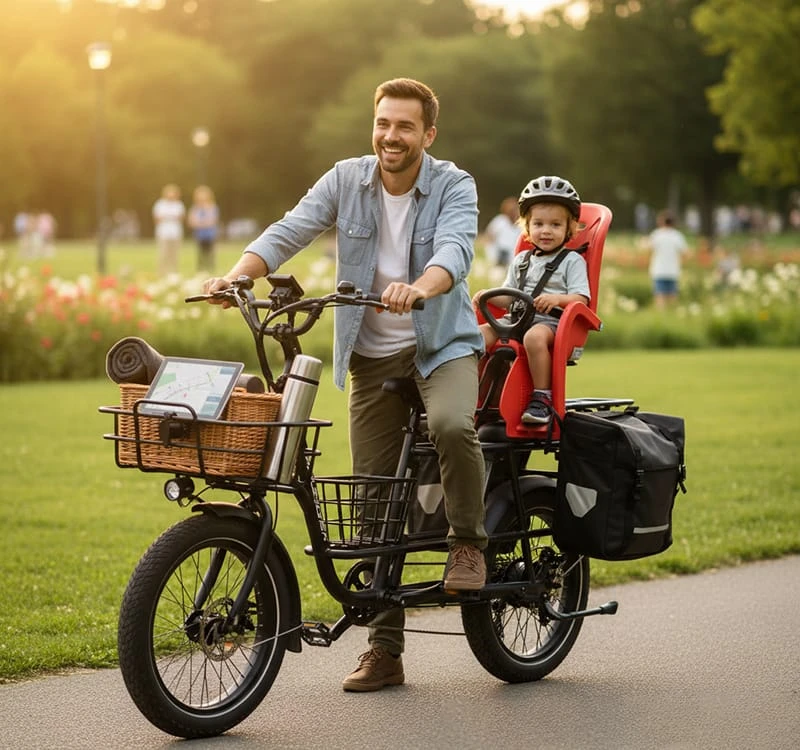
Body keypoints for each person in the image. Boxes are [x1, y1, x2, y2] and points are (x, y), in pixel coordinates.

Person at [202, 78, 488, 692]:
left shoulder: (453, 185)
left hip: (440, 346)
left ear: (427, 135)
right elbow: (290, 229)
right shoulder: (345, 179)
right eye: (383, 123)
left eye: (405, 126)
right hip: (371, 357)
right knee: (369, 502)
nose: (391, 135)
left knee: (450, 425)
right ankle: (385, 652)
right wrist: (238, 276)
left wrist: (421, 286)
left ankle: (468, 543)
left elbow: (456, 250)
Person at [472, 176, 590, 426]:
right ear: (526, 226)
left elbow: (581, 299)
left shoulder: (572, 261)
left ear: (570, 228)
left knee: (533, 337)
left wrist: (557, 298)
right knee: (474, 335)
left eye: (555, 224)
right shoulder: (521, 260)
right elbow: (507, 297)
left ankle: (542, 399)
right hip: (515, 320)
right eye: (538, 224)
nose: (546, 230)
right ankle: (471, 393)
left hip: (551, 324)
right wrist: (488, 294)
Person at [647, 210, 689, 309]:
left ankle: (661, 318)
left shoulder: (657, 234)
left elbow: (648, 248)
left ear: (661, 221)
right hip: (673, 271)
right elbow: (686, 253)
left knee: (659, 296)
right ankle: (672, 316)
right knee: (673, 296)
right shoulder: (677, 236)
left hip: (659, 270)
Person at [152, 184, 185, 275]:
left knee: (174, 255)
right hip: (163, 233)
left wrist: (167, 217)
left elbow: (181, 218)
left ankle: (174, 273)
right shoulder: (160, 204)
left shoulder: (179, 205)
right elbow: (157, 218)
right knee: (163, 254)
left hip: (175, 233)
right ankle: (161, 272)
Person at [188, 185, 220, 273]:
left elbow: (212, 221)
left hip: (210, 234)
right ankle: (201, 271)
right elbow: (191, 222)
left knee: (210, 254)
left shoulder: (212, 207)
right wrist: (203, 223)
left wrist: (200, 223)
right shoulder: (195, 208)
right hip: (199, 235)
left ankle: (210, 271)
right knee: (200, 255)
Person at [483, 196, 521, 266]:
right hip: (499, 253)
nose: (514, 212)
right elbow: (488, 237)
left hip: (514, 255)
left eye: (516, 209)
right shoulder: (499, 221)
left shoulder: (522, 224)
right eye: (511, 210)